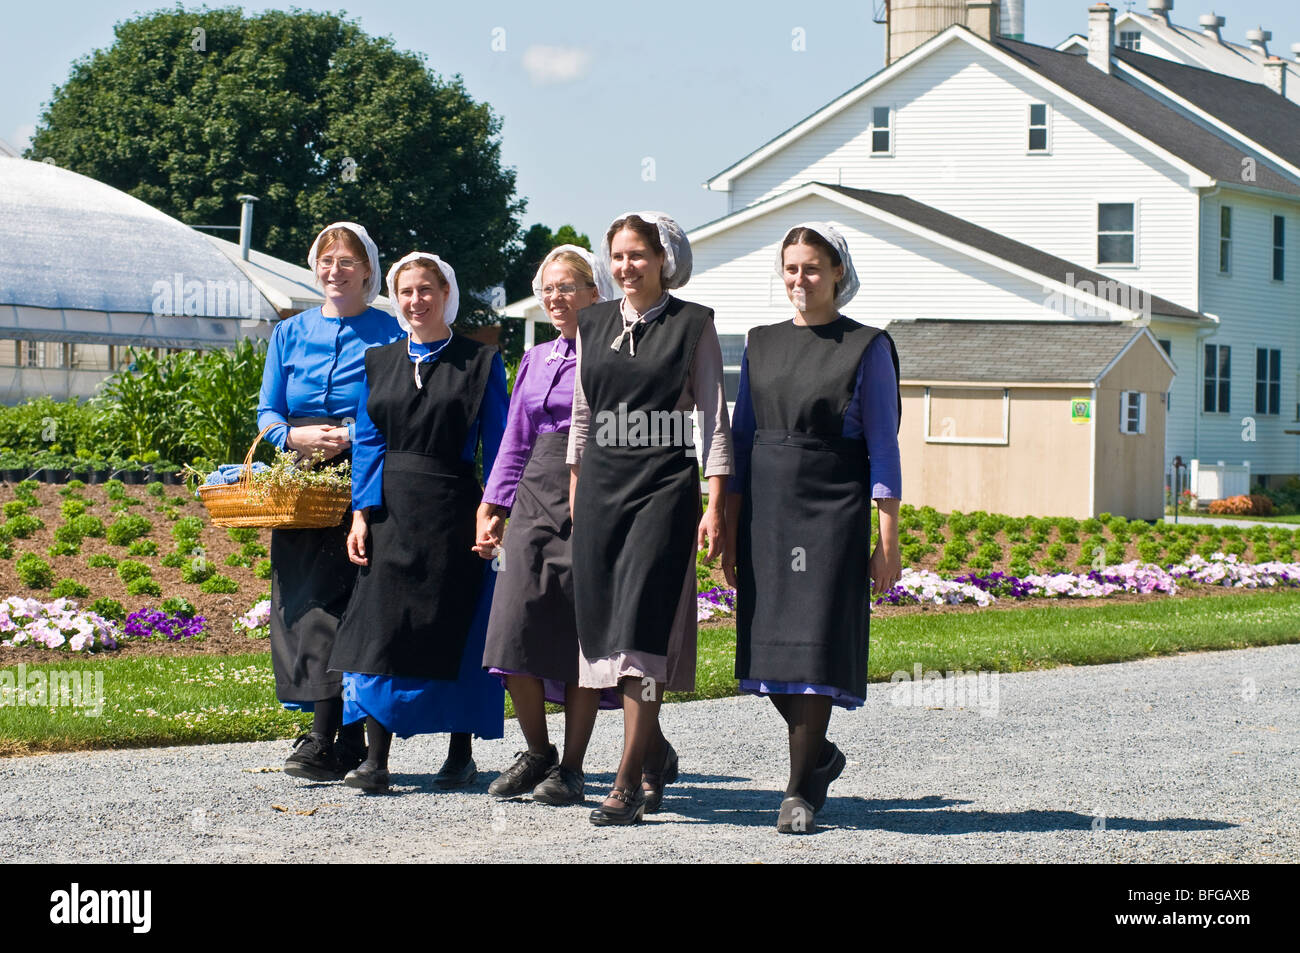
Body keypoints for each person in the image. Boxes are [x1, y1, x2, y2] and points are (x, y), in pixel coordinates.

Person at [723, 222, 901, 834]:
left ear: (838, 274)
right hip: (767, 508)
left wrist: (887, 540)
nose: (801, 279)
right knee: (769, 646)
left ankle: (799, 789)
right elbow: (741, 435)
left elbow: (884, 446)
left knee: (817, 642)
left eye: (813, 268)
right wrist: (725, 515)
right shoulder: (760, 341)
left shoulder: (867, 345)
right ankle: (820, 757)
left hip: (831, 509)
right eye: (792, 268)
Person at [567, 212, 733, 825]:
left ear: (664, 259)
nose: (626, 267)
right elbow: (583, 416)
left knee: (641, 629)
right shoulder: (593, 323)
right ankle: (656, 754)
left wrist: (715, 501)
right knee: (605, 632)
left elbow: (713, 419)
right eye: (618, 256)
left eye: (639, 255)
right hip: (601, 489)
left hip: (664, 487)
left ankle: (627, 780)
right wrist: (577, 490)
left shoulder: (694, 325)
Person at [329, 252, 508, 793]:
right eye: (406, 291)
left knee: (453, 624)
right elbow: (368, 440)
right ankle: (376, 760)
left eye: (426, 289)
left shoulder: (481, 361)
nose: (416, 300)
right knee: (380, 626)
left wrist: (494, 509)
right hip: (389, 509)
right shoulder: (378, 360)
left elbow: (499, 442)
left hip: (455, 508)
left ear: (445, 292)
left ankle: (460, 753)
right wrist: (360, 511)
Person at [256, 221, 404, 781]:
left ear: (368, 269)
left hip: (367, 473)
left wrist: (350, 432)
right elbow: (268, 410)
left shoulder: (389, 333)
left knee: (353, 603)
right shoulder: (288, 333)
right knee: (304, 603)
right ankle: (330, 734)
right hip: (300, 479)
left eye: (348, 261)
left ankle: (328, 741)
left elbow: (396, 404)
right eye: (326, 259)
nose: (335, 270)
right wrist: (291, 437)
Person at [477, 246, 620, 805]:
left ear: (594, 292)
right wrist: (493, 503)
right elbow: (514, 438)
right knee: (513, 624)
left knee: (583, 632)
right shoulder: (535, 359)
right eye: (549, 288)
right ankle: (538, 751)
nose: (556, 298)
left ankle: (575, 767)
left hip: (596, 491)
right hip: (534, 493)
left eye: (568, 287)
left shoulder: (613, 353)